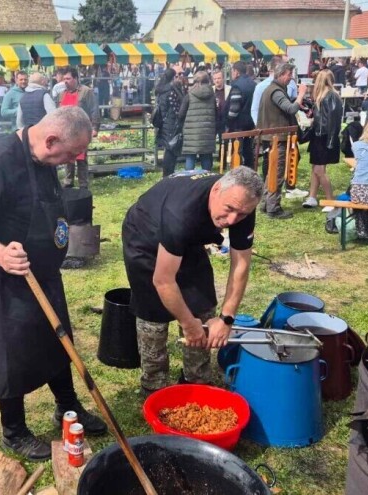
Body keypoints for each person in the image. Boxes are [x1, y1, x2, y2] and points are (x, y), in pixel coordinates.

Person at [0, 107, 107, 461]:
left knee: (57, 341)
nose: (70, 161)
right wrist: (2, 254)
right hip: (3, 276)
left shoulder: (43, 157)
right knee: (9, 354)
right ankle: (14, 431)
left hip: (43, 273)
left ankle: (67, 409)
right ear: (51, 139)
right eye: (69, 154)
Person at [122, 167, 262, 394]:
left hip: (190, 237)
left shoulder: (243, 202)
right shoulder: (180, 213)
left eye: (242, 214)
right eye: (229, 210)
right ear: (217, 190)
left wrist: (226, 318)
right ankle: (154, 384)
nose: (233, 220)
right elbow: (164, 281)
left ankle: (196, 379)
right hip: (145, 237)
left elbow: (241, 264)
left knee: (203, 305)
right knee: (153, 315)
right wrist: (188, 325)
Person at [257, 63, 307, 219]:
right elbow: (291, 109)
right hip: (277, 138)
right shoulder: (276, 91)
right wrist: (301, 95)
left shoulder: (271, 89)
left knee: (272, 172)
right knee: (277, 173)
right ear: (282, 74)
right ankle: (274, 208)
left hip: (271, 137)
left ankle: (266, 204)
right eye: (289, 74)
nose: (291, 77)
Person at [55, 67, 99, 189]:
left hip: (81, 131)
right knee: (67, 157)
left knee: (81, 158)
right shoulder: (61, 93)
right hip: (65, 131)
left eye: (68, 78)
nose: (65, 81)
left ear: (75, 78)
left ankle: (83, 184)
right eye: (64, 79)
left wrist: (95, 127)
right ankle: (68, 182)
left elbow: (94, 109)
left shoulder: (86, 91)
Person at [304, 69, 342, 208]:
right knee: (315, 168)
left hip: (325, 137)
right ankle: (312, 197)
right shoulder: (322, 96)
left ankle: (330, 200)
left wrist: (331, 141)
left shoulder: (331, 96)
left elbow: (333, 121)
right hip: (318, 135)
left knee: (319, 170)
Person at [178, 70, 216, 171]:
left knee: (190, 157)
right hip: (208, 132)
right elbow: (216, 113)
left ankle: (188, 181)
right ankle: (207, 180)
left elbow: (181, 114)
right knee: (206, 157)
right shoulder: (212, 95)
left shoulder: (189, 95)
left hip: (192, 132)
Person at [153, 68, 185, 177]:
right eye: (177, 75)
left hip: (164, 123)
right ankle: (168, 175)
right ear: (173, 77)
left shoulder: (161, 90)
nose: (179, 77)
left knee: (168, 150)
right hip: (172, 125)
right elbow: (177, 110)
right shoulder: (171, 91)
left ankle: (166, 175)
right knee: (171, 151)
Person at [225, 61, 257, 169]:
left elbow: (234, 109)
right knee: (248, 152)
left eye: (232, 71)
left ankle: (238, 175)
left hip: (238, 124)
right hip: (250, 123)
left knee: (237, 152)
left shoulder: (237, 86)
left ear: (236, 72)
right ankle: (250, 174)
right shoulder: (253, 84)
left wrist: (228, 123)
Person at [212, 70, 229, 136]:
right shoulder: (210, 91)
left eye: (219, 78)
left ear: (223, 79)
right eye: (215, 79)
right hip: (214, 122)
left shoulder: (229, 89)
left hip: (226, 122)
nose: (217, 80)